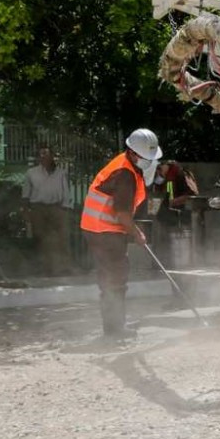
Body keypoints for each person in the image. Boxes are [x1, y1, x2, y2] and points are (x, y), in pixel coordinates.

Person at [80, 129, 161, 338]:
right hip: (105, 230)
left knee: (112, 278)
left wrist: (132, 230)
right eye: (145, 158)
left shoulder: (125, 164)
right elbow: (122, 214)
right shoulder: (125, 173)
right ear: (132, 152)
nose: (148, 162)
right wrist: (136, 233)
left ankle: (115, 326)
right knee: (115, 279)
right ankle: (115, 329)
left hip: (100, 228)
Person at [22, 146, 73, 275]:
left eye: (46, 154)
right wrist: (26, 211)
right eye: (41, 155)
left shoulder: (61, 173)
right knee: (41, 238)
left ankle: (63, 268)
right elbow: (26, 194)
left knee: (62, 238)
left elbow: (66, 191)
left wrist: (65, 209)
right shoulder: (31, 173)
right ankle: (44, 268)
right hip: (38, 208)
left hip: (57, 208)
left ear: (52, 157)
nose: (43, 157)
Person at [152, 160, 198, 227]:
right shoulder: (173, 174)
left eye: (159, 168)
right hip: (182, 203)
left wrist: (173, 201)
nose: (158, 172)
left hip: (184, 203)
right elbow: (169, 193)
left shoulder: (174, 175)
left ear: (165, 165)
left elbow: (171, 194)